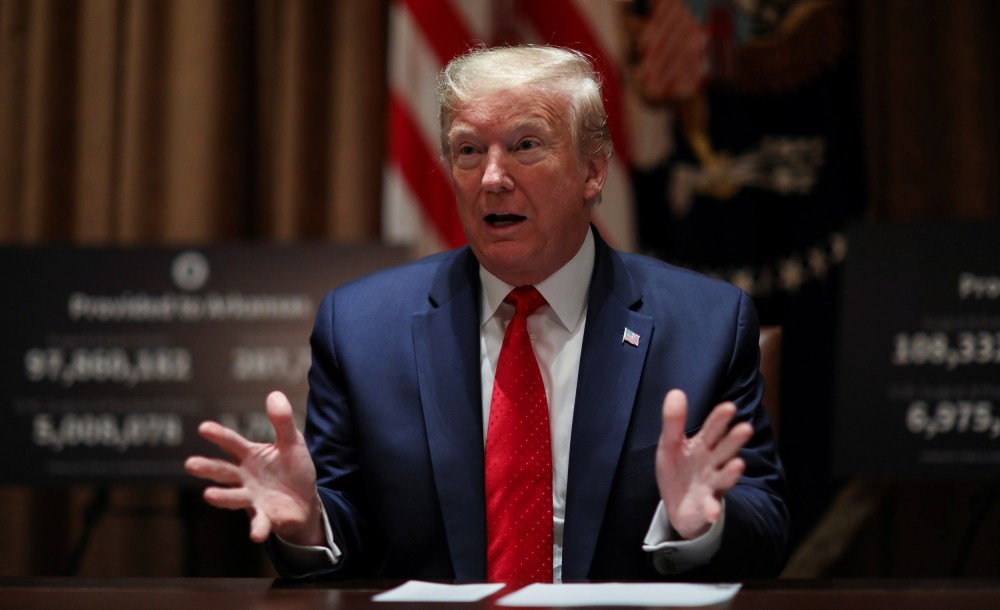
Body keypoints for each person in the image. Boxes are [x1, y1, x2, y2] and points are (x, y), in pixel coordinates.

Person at [185, 44, 788, 583]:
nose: (492, 178)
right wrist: (311, 523)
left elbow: (767, 527)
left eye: (526, 145)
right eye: (468, 151)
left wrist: (704, 523)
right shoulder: (362, 327)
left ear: (593, 170)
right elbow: (351, 525)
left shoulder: (706, 325)